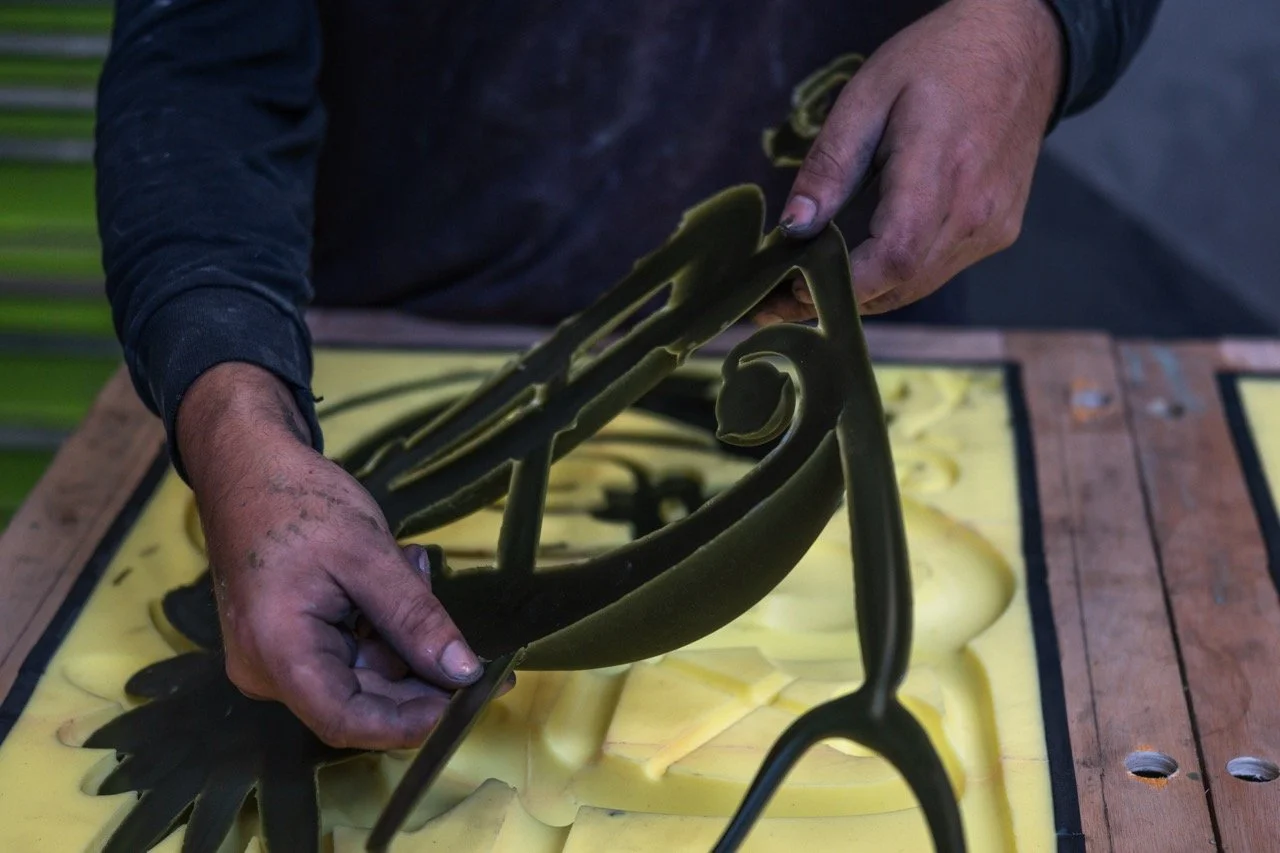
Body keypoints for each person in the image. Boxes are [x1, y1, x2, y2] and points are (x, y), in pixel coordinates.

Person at [96, 0, 1160, 751]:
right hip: (389, 338)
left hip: (854, 318)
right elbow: (202, 59)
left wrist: (1039, 26)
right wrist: (238, 420)